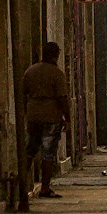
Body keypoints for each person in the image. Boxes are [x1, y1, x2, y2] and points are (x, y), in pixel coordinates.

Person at [23, 41, 70, 198]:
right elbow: (62, 97)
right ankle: (44, 188)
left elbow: (23, 93)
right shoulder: (57, 74)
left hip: (33, 115)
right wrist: (67, 117)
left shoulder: (30, 71)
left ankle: (22, 185)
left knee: (29, 151)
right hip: (51, 117)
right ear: (56, 55)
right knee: (48, 153)